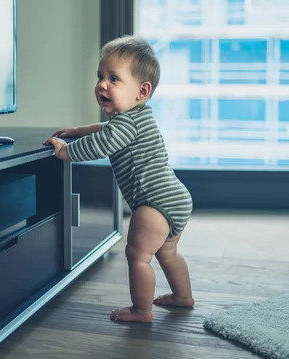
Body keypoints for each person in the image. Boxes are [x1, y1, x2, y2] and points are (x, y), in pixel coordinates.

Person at [44, 35, 195, 323]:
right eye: (100, 76)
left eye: (114, 79)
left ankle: (141, 310)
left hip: (154, 203)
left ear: (142, 90)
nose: (102, 84)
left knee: (137, 255)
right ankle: (182, 296)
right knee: (168, 253)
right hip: (174, 198)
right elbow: (102, 128)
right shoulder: (137, 118)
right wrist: (77, 130)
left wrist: (66, 152)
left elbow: (102, 143)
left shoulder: (124, 124)